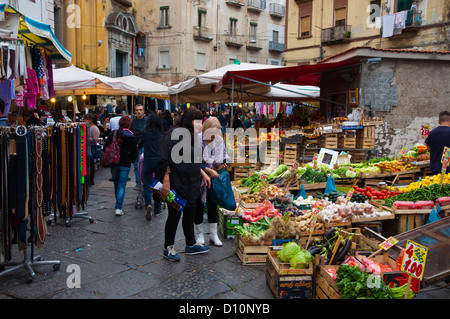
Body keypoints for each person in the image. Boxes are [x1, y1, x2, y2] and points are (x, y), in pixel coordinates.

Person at [156, 107, 210, 261]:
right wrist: (166, 182)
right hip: (177, 183)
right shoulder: (174, 134)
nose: (200, 125)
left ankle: (191, 244)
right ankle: (168, 248)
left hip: (191, 183)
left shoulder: (192, 136)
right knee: (174, 214)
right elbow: (163, 159)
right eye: (197, 121)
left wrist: (203, 173)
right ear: (189, 121)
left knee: (190, 212)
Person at [195, 117, 229, 247]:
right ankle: (200, 235)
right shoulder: (197, 139)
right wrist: (207, 171)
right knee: (198, 204)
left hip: (213, 177)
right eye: (211, 134)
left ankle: (213, 235)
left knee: (212, 203)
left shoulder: (219, 140)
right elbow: (194, 161)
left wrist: (224, 163)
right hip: (197, 177)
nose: (213, 137)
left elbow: (221, 158)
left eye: (216, 134)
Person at [104, 116, 138, 216]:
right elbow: (134, 153)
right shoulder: (131, 136)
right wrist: (131, 160)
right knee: (122, 185)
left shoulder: (113, 133)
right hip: (125, 164)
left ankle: (118, 203)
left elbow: (105, 146)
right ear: (129, 124)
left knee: (116, 183)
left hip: (114, 162)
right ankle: (118, 207)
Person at [138, 114, 164, 221]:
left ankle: (148, 204)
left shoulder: (146, 133)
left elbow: (139, 145)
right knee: (158, 184)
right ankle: (157, 208)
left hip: (148, 160)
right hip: (159, 161)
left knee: (147, 184)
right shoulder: (162, 134)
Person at [425, 111, 450, 175]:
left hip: (435, 168)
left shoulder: (432, 133)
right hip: (448, 168)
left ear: (438, 121)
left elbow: (428, 149)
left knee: (437, 184)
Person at [130, 104, 148, 187]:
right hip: (135, 145)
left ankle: (144, 181)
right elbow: (131, 133)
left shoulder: (147, 121)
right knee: (136, 165)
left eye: (140, 110)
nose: (139, 111)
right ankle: (138, 182)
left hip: (145, 144)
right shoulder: (132, 121)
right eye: (137, 110)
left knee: (144, 164)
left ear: (143, 111)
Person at [85, 113, 101, 186]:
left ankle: (91, 180)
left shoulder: (94, 128)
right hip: (88, 148)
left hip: (91, 148)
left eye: (85, 119)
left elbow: (95, 139)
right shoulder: (89, 127)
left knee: (91, 164)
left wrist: (84, 138)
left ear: (90, 120)